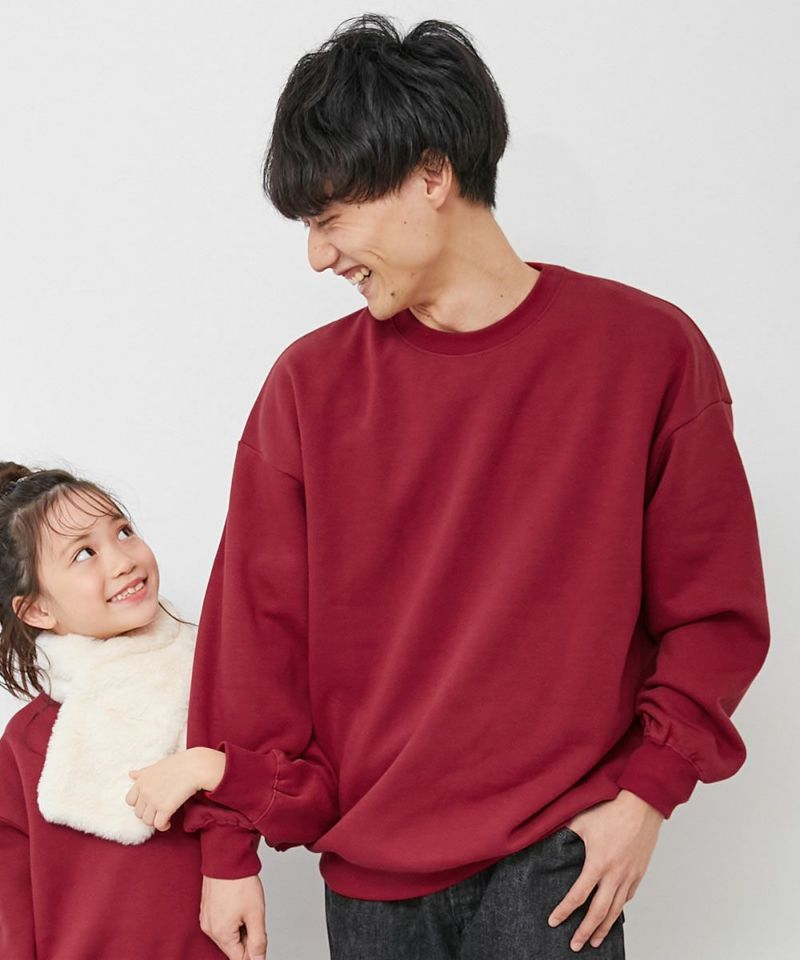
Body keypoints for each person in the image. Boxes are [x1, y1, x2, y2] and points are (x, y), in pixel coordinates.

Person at [178, 13, 772, 960]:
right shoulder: (308, 388)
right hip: (371, 878)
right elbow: (256, 629)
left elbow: (714, 609)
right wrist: (225, 848)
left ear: (431, 175)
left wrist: (647, 796)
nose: (318, 257)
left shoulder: (647, 354)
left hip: (556, 863)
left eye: (330, 218)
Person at [0, 462, 247, 959]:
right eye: (84, 553)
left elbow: (298, 792)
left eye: (123, 532)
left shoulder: (213, 681)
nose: (122, 561)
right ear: (37, 610)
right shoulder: (27, 742)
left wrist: (209, 767)